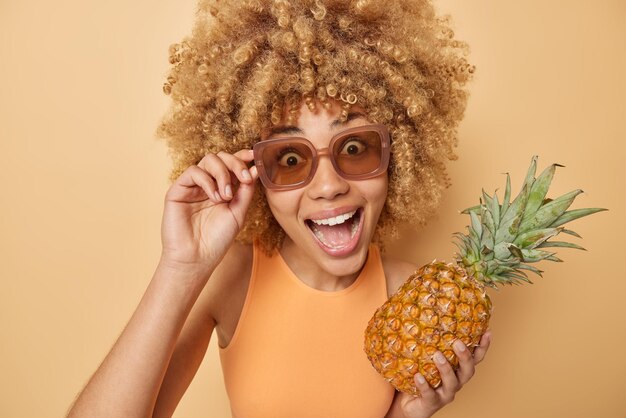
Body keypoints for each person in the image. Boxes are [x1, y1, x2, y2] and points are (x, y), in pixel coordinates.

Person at [67, 0, 491, 417]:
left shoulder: (412, 296)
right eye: (290, 159)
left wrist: (407, 415)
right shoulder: (231, 277)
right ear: (253, 170)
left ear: (398, 156)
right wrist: (180, 267)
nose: (329, 186)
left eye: (356, 148)